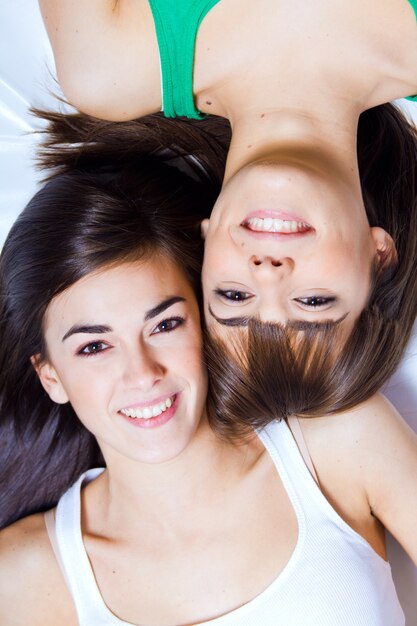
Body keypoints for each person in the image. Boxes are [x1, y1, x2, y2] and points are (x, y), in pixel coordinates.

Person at [0, 114, 416, 626]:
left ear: (206, 314)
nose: (143, 373)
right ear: (50, 377)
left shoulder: (335, 444)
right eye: (93, 348)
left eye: (165, 324)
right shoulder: (26, 579)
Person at [38, 0, 417, 331]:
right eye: (313, 302)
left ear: (205, 246)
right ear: (379, 257)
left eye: (234, 295)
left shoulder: (107, 69)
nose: (267, 273)